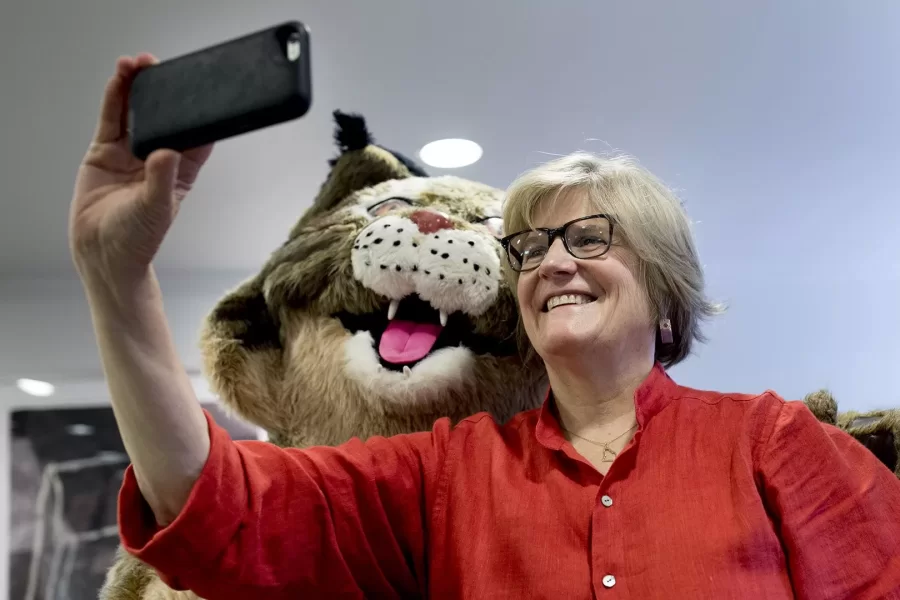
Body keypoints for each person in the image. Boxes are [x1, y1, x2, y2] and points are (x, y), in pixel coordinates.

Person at [70, 55, 900, 599]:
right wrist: (117, 281)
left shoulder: (774, 443)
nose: (552, 264)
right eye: (531, 248)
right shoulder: (447, 474)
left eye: (588, 239)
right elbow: (213, 504)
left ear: (664, 285)